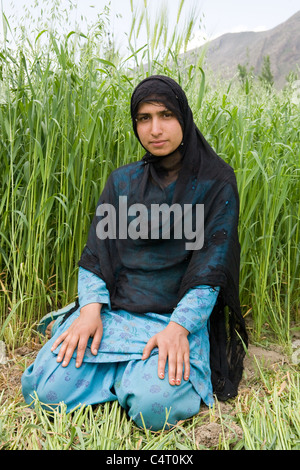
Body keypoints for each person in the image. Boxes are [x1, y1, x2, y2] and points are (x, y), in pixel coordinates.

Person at [22, 75, 248, 431]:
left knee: (152, 406)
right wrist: (91, 310)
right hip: (117, 315)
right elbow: (97, 254)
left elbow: (211, 269)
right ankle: (122, 373)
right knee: (45, 391)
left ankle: (124, 380)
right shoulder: (122, 182)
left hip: (173, 320)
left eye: (165, 115)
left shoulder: (215, 183)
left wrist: (179, 329)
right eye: (144, 118)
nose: (155, 129)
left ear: (184, 119)